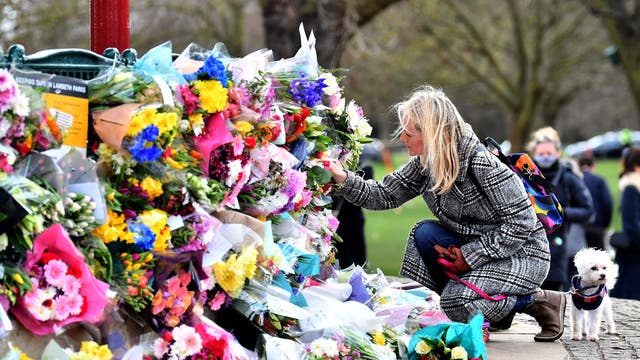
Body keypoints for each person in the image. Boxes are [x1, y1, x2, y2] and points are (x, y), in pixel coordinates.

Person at [329, 85, 566, 342]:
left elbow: (522, 224)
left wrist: (470, 256)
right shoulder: (425, 163)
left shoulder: (482, 164)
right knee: (424, 234)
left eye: (408, 133)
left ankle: (536, 301)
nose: (403, 139)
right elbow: (384, 194)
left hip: (522, 254)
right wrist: (342, 177)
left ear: (431, 133)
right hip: (478, 247)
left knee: (453, 302)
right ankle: (491, 308)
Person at [526, 127, 594, 291]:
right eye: (541, 153)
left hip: (557, 245)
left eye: (549, 152)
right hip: (528, 243)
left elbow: (587, 210)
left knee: (552, 293)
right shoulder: (525, 176)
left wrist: (560, 213)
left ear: (557, 153)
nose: (545, 157)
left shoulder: (568, 177)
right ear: (533, 154)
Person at [332, 151, 375, 268]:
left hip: (352, 215)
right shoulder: (335, 165)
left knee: (357, 251)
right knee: (341, 253)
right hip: (338, 218)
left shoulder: (364, 166)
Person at [610, 147, 640, 300]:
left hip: (633, 251)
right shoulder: (631, 188)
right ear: (636, 166)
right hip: (632, 252)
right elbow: (631, 223)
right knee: (629, 295)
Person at [577, 157, 613, 250]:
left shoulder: (575, 180)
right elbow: (607, 202)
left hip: (578, 225)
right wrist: (605, 224)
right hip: (597, 225)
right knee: (597, 258)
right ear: (592, 166)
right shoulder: (599, 180)